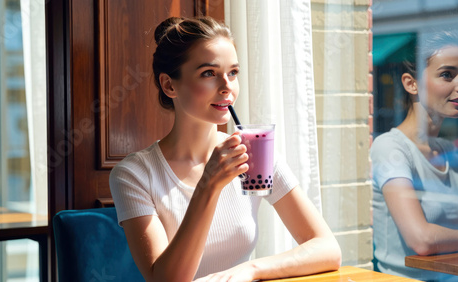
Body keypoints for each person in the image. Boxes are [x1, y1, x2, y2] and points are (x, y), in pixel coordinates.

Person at [109, 16, 341, 282]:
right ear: (169, 85)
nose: (227, 86)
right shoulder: (134, 175)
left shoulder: (253, 153)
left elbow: (327, 248)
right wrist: (209, 185)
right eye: (209, 73)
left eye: (232, 73)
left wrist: (251, 269)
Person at [371, 31, 458, 281]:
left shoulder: (449, 152)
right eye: (447, 75)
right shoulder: (390, 148)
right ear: (412, 84)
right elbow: (421, 239)